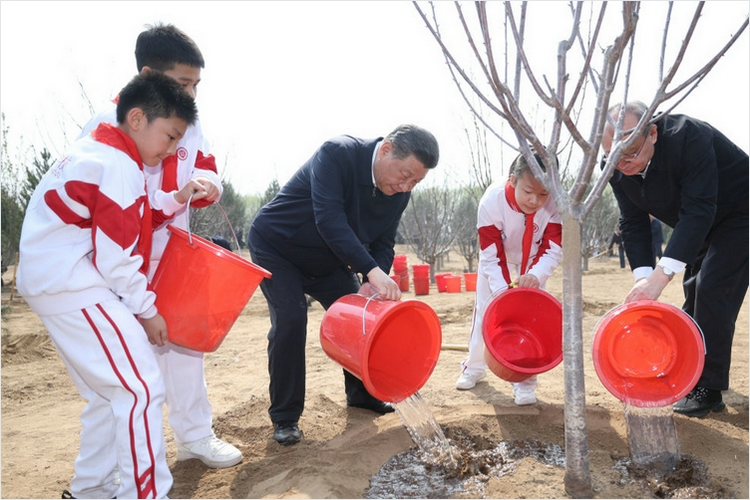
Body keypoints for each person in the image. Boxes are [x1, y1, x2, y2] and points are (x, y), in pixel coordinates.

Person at [16, 72, 197, 499]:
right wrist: (147, 310)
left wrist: (175, 196)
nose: (170, 150)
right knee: (141, 388)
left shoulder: (98, 149)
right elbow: (116, 259)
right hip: (71, 283)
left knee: (107, 393)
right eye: (169, 137)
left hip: (53, 280)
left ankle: (90, 490)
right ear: (137, 118)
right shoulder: (117, 165)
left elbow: (134, 214)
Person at [78, 23, 241, 469]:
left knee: (185, 348)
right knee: (130, 356)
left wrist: (209, 184)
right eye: (182, 83)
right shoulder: (104, 128)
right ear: (149, 74)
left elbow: (205, 166)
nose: (191, 94)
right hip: (119, 260)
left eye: (196, 85)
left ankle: (195, 437)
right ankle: (122, 460)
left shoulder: (192, 123)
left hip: (176, 252)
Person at [248, 124, 439, 446]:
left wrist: (370, 279)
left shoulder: (399, 193)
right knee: (291, 319)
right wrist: (371, 270)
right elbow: (329, 219)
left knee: (362, 320)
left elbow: (384, 240)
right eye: (405, 174)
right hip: (279, 248)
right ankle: (285, 417)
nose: (406, 185)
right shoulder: (336, 154)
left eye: (415, 181)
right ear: (386, 149)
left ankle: (361, 395)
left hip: (330, 261)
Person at [601, 101, 748, 418]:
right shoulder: (615, 165)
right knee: (694, 292)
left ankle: (707, 390)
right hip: (699, 222)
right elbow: (633, 220)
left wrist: (660, 275)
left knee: (713, 288)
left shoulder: (688, 137)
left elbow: (699, 210)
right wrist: (643, 276)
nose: (623, 164)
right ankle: (690, 372)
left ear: (652, 133)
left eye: (631, 154)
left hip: (740, 212)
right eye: (614, 156)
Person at [455, 150, 563, 405]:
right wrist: (503, 291)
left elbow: (553, 247)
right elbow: (491, 254)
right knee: (486, 310)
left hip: (534, 265)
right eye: (528, 191)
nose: (535, 200)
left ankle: (525, 382)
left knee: (530, 318)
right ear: (512, 179)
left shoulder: (557, 203)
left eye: (543, 194)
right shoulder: (491, 202)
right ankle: (474, 367)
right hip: (497, 261)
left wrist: (536, 275)